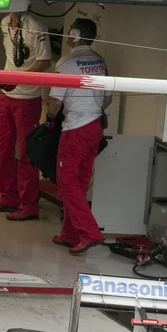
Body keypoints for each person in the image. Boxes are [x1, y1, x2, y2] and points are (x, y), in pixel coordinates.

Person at [46, 18, 112, 255]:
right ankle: (70, 234)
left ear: (73, 35)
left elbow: (55, 104)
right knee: (80, 181)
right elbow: (108, 99)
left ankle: (90, 232)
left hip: (76, 128)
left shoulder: (67, 63)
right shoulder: (100, 61)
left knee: (66, 182)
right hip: (95, 127)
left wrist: (48, 118)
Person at [0, 8, 52, 221]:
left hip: (28, 98)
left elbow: (44, 61)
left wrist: (19, 78)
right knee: (2, 150)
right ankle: (8, 196)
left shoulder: (37, 26)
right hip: (6, 95)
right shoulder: (4, 23)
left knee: (26, 153)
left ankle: (29, 204)